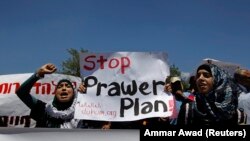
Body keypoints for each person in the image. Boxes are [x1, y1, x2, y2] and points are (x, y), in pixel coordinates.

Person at [15, 63, 85, 128]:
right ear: (55, 93)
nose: (64, 88)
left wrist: (88, 93)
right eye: (60, 87)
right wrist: (38, 74)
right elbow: (21, 92)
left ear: (73, 92)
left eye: (67, 86)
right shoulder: (43, 109)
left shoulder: (84, 110)